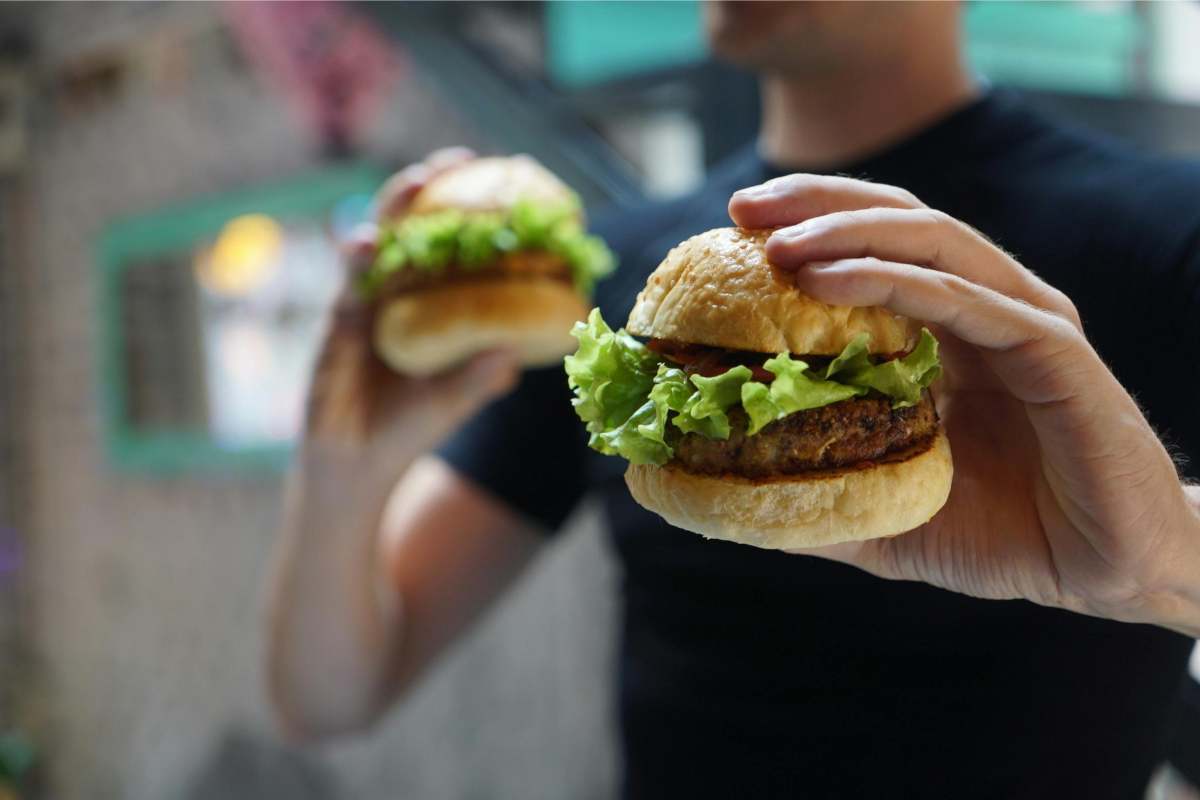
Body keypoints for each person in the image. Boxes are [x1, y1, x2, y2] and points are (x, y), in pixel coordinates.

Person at [266, 3, 1200, 798]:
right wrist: (340, 480)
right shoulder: (629, 280)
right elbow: (332, 696)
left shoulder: (1169, 234)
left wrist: (1164, 561)